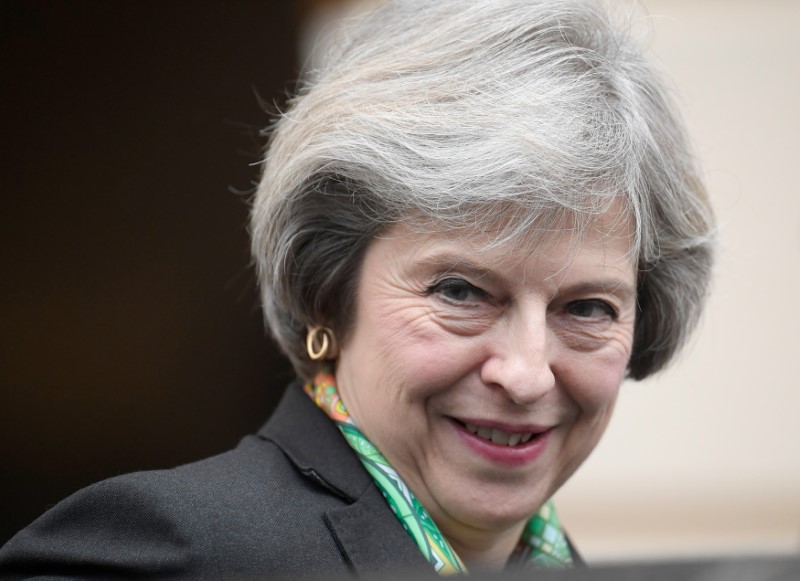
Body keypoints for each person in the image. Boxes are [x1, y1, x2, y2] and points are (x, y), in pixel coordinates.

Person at [0, 0, 714, 577]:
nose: (526, 374)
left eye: (587, 308)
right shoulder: (179, 554)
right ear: (328, 292)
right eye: (462, 292)